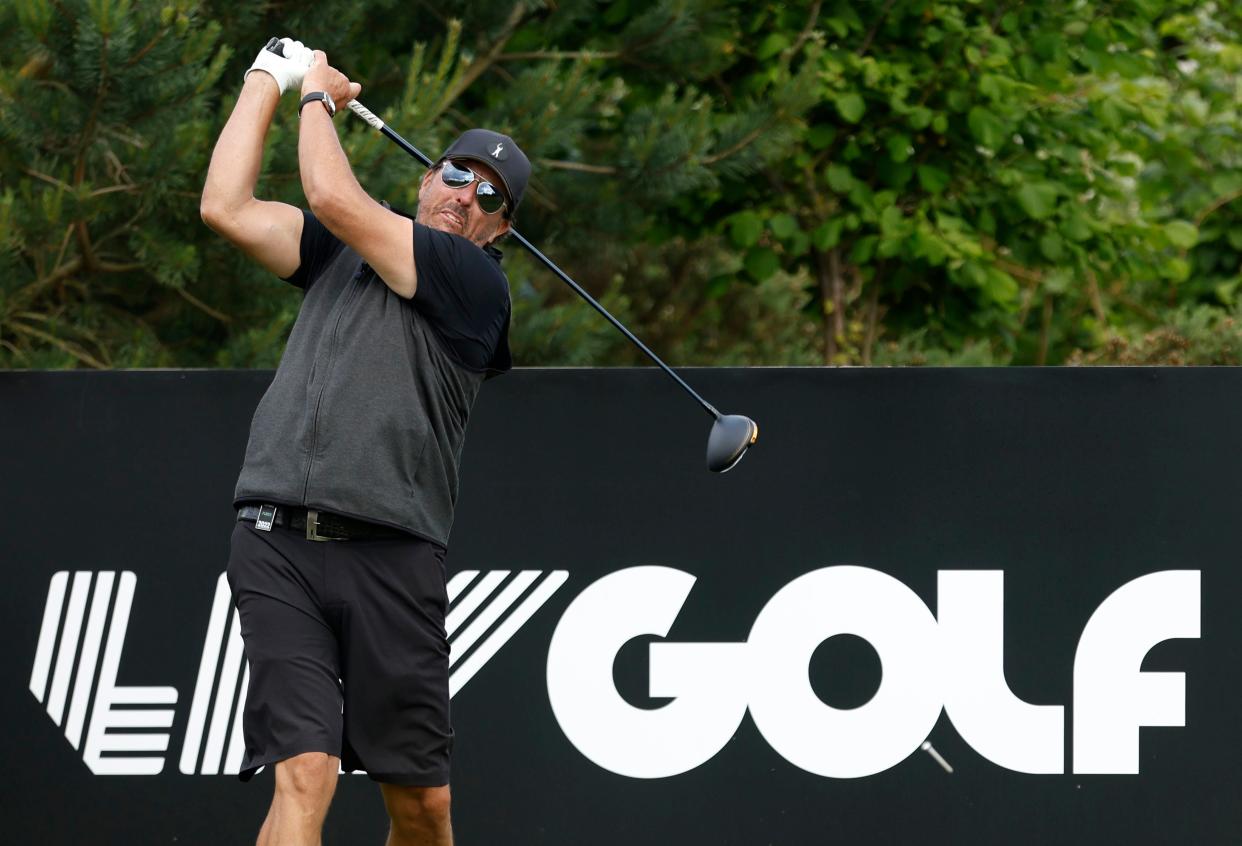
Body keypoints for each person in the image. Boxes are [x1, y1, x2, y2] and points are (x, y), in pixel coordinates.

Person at [200, 37, 530, 846]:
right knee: (303, 774)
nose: (466, 197)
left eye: (490, 198)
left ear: (496, 232)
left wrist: (316, 94)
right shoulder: (337, 255)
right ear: (427, 177)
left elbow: (336, 196)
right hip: (276, 543)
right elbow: (226, 208)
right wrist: (265, 82)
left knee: (422, 809)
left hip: (392, 557)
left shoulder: (471, 281)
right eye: (457, 174)